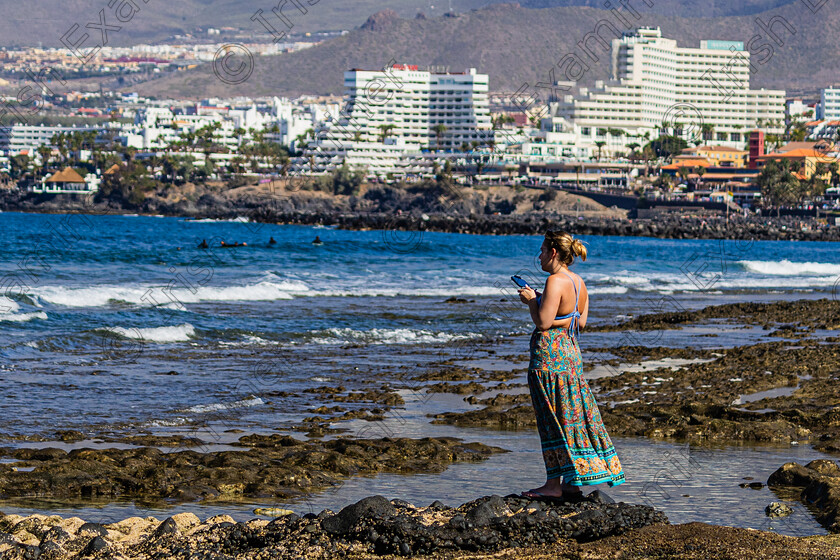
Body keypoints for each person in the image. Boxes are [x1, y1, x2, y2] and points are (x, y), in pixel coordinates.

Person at [517, 230, 625, 502]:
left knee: (551, 419)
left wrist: (532, 301)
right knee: (570, 417)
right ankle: (571, 484)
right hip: (571, 355)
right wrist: (558, 317)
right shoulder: (578, 281)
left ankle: (553, 485)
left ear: (553, 252)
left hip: (549, 358)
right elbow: (579, 322)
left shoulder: (554, 280)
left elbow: (542, 322)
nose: (539, 256)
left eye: (542, 250)